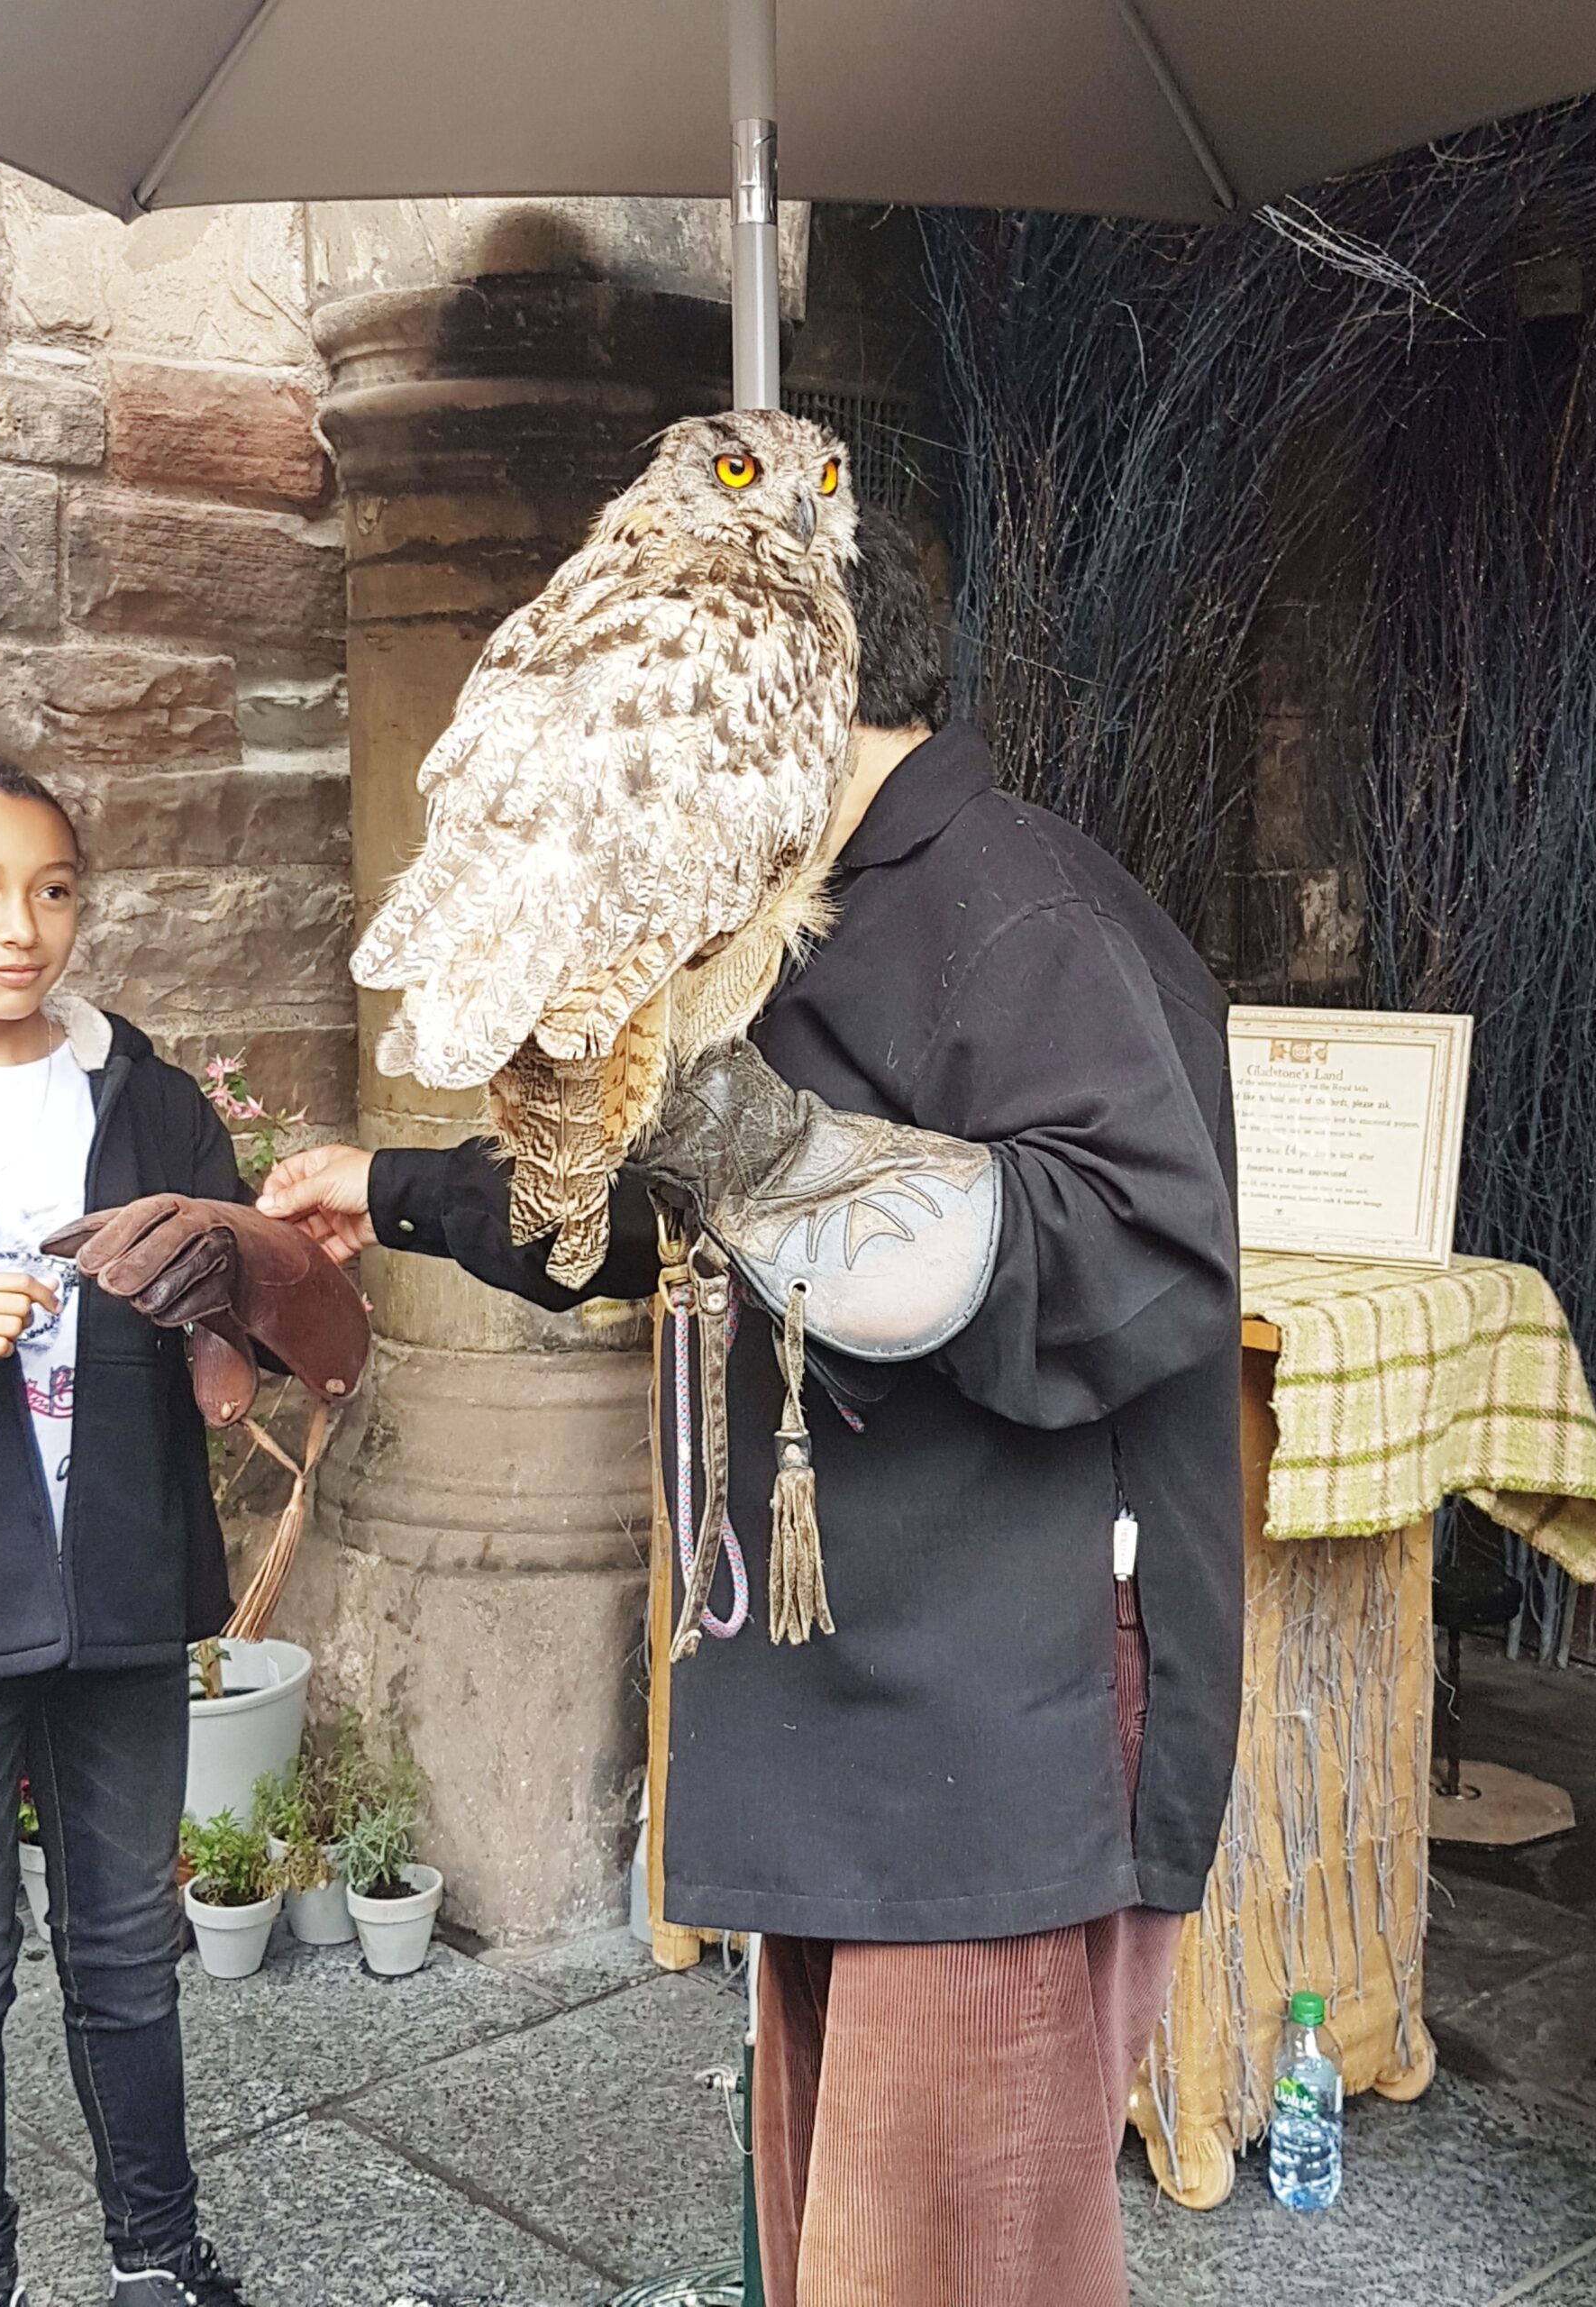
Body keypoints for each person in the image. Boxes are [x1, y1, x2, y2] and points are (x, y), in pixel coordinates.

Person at [261, 508, 1243, 2307]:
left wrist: (730, 1123)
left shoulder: (1016, 899)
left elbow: (1139, 1245)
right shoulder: (807, 902)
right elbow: (677, 1208)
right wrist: (397, 1190)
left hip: (991, 1729)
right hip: (850, 1711)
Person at [0, 752, 260, 2307]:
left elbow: (246, 1304)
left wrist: (229, 1329)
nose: (18, 928)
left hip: (120, 1590)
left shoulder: (148, 1095)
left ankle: (161, 2263)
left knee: (127, 1957)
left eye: (52, 891)